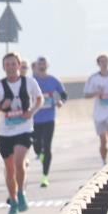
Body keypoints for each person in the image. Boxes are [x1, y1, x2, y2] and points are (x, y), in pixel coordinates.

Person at [0, 52, 44, 214]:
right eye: (7, 64)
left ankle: (21, 192)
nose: (10, 67)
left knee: (19, 162)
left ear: (19, 65)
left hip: (24, 129)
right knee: (9, 170)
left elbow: (39, 99)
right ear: (3, 67)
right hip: (5, 132)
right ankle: (14, 203)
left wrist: (31, 111)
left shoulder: (29, 82)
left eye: (13, 64)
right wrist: (1, 106)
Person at [31, 56, 67, 187]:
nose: (42, 66)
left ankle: (45, 177)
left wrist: (60, 101)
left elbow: (63, 94)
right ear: (36, 66)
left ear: (47, 65)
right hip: (34, 119)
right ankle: (41, 156)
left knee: (47, 147)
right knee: (36, 147)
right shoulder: (32, 81)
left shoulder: (53, 80)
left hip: (49, 119)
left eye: (44, 64)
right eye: (40, 64)